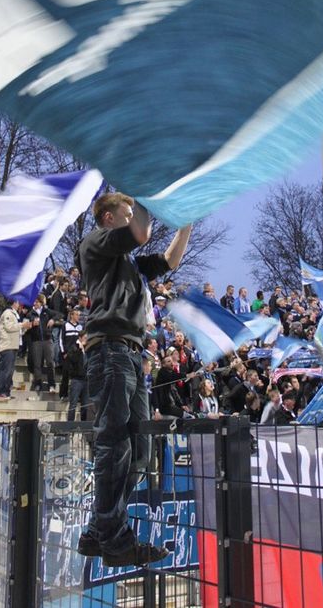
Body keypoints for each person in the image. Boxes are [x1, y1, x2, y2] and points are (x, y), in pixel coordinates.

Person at [76, 191, 191, 567]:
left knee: (140, 452)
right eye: (126, 213)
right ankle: (113, 535)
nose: (133, 218)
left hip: (131, 355)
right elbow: (141, 231)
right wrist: (146, 192)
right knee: (115, 442)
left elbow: (169, 259)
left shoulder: (128, 263)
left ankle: (97, 530)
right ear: (109, 219)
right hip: (109, 350)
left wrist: (186, 222)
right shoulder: (95, 244)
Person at [0, 300, 32, 400]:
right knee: (5, 370)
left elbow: (17, 330)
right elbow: (9, 327)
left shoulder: (15, 315)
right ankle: (0, 392)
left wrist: (25, 328)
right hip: (7, 345)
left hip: (13, 344)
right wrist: (22, 325)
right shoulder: (8, 313)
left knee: (9, 371)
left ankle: (6, 392)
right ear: (14, 303)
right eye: (18, 302)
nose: (19, 305)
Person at [27, 294, 56, 393]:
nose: (35, 303)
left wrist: (53, 320)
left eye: (37, 302)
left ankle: (51, 384)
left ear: (41, 302)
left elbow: (59, 314)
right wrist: (31, 324)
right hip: (36, 341)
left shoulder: (46, 311)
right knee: (37, 364)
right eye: (34, 302)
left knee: (50, 363)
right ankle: (38, 383)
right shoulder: (30, 313)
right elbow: (26, 326)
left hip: (47, 340)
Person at [67, 331, 89, 421]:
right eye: (85, 338)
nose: (86, 340)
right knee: (73, 404)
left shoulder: (88, 348)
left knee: (85, 405)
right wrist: (80, 349)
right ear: (80, 338)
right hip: (76, 379)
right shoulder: (74, 347)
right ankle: (69, 425)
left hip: (86, 379)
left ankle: (83, 425)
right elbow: (73, 359)